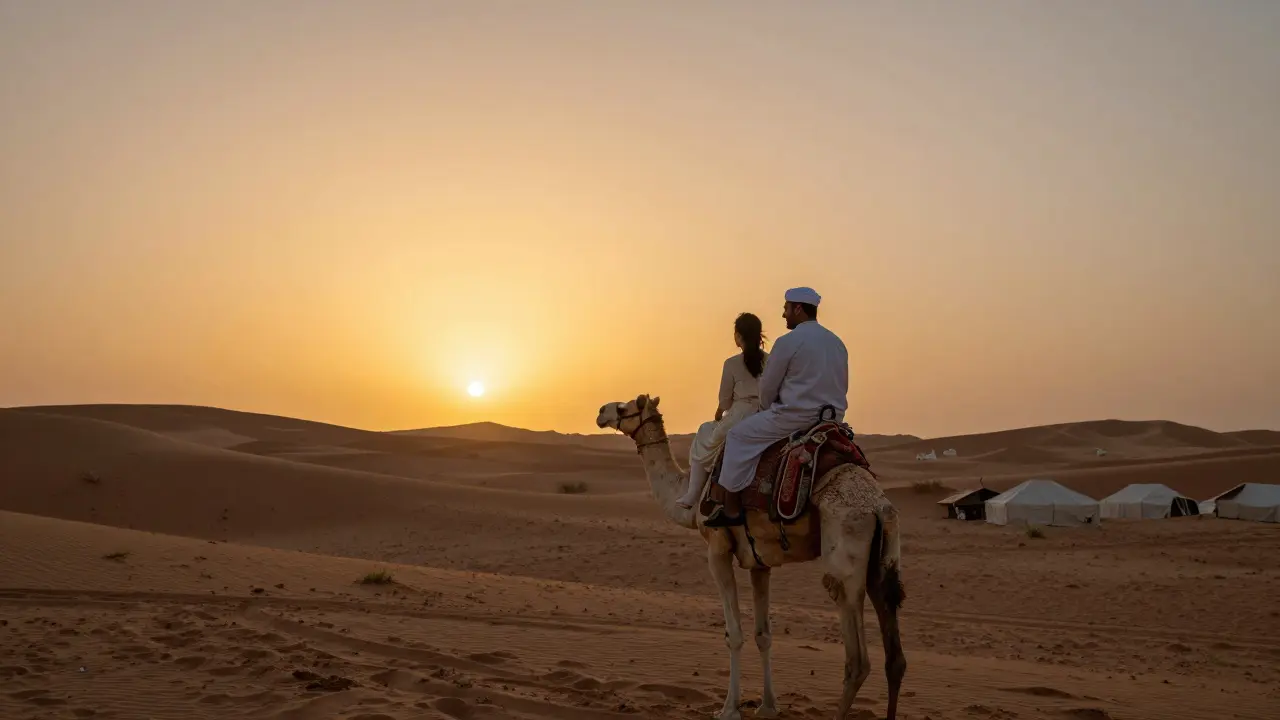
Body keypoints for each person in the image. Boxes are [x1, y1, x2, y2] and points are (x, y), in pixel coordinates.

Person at [703, 286, 849, 528]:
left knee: (737, 436)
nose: (783, 315)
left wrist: (767, 408)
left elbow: (768, 388)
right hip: (832, 420)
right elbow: (841, 384)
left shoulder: (788, 342)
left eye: (786, 309)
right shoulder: (837, 343)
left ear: (798, 309)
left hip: (794, 417)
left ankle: (730, 511)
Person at [676, 313, 769, 509]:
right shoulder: (771, 361)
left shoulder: (732, 364)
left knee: (704, 433)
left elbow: (725, 401)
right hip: (767, 415)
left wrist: (719, 413)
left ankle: (693, 494)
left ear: (739, 336)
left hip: (741, 415)